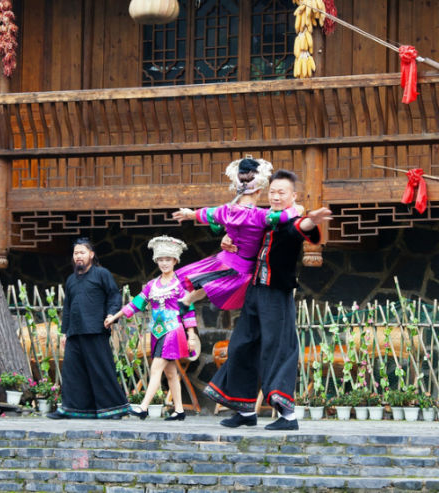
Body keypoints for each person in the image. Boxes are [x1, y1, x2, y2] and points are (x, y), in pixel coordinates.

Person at [203, 169, 331, 430]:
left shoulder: (293, 219)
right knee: (241, 344)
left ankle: (287, 416)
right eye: (272, 191)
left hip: (276, 292)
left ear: (292, 196)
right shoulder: (265, 219)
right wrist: (229, 238)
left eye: (281, 192)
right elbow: (242, 233)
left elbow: (301, 227)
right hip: (254, 289)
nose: (275, 196)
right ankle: (245, 410)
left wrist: (312, 219)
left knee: (278, 346)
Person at [172, 157, 300, 311]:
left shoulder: (225, 210)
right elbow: (283, 216)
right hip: (242, 268)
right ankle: (184, 302)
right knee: (211, 285)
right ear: (259, 191)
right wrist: (297, 209)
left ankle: (184, 301)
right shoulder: (260, 215)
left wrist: (189, 214)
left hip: (225, 259)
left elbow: (206, 213)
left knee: (205, 283)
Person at [105, 235, 199, 421]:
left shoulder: (180, 284)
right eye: (161, 260)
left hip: (173, 330)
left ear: (175, 261)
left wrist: (191, 336)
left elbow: (188, 311)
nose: (164, 263)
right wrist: (114, 317)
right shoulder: (151, 285)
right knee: (170, 372)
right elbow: (135, 304)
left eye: (168, 260)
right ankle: (179, 410)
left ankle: (143, 407)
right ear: (157, 261)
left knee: (156, 368)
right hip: (157, 332)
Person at [47, 238, 129, 419]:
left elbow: (114, 296)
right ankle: (71, 409)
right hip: (74, 333)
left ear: (91, 255)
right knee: (72, 372)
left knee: (101, 370)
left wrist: (111, 315)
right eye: (76, 253)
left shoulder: (102, 274)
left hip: (96, 330)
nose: (78, 256)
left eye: (82, 252)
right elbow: (67, 307)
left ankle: (113, 409)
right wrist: (64, 332)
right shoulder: (70, 279)